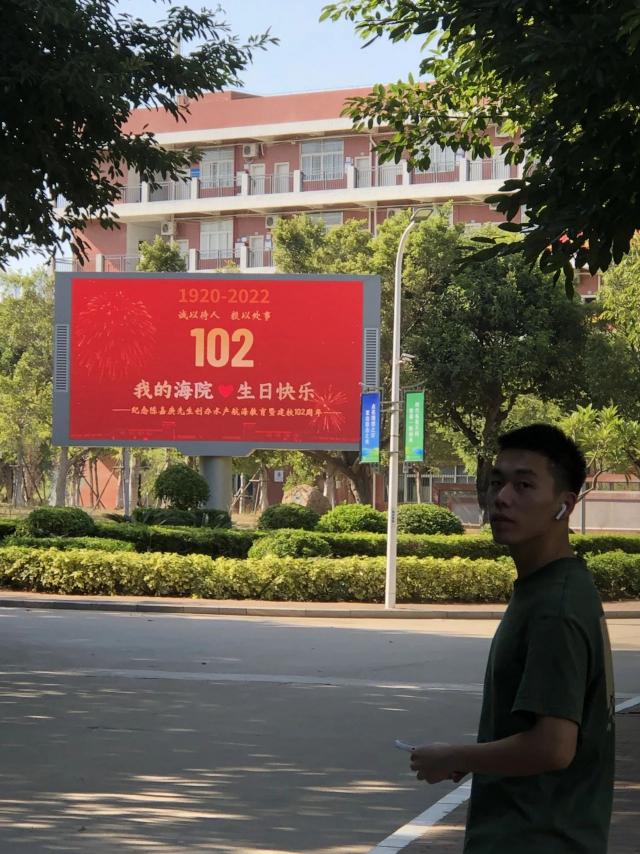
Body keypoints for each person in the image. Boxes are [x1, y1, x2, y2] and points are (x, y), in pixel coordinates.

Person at [408, 424, 615, 853]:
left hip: (535, 838)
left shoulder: (555, 607)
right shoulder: (553, 587)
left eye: (524, 485)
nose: (501, 497)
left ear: (564, 505)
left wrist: (456, 756)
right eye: (497, 482)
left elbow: (553, 747)